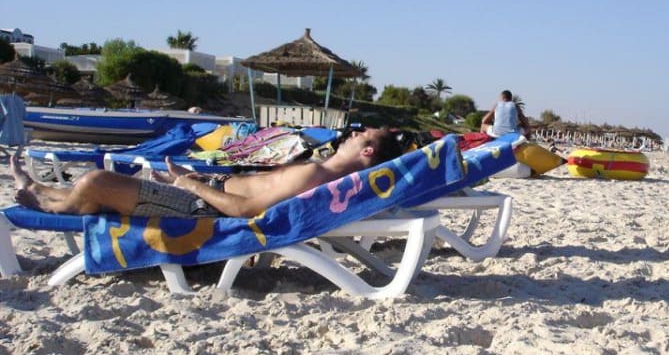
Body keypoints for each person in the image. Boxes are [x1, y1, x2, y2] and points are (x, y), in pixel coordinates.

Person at [11, 127, 403, 219]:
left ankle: (58, 204)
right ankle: (41, 189)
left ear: (367, 151)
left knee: (95, 181)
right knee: (97, 185)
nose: (353, 133)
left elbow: (247, 211)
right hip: (208, 194)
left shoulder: (315, 177)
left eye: (362, 135)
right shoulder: (320, 172)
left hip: (204, 212)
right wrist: (204, 181)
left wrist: (190, 185)